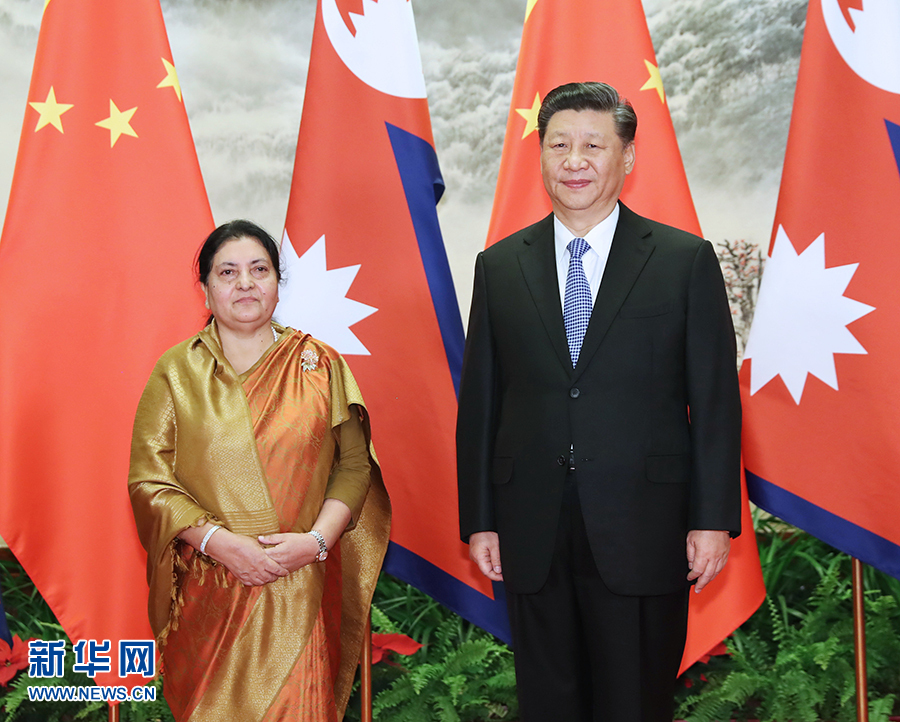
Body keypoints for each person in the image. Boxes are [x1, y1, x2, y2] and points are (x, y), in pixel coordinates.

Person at [456, 82, 741, 722]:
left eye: (593, 145)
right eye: (559, 145)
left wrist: (712, 519)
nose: (574, 161)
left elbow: (715, 403)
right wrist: (480, 518)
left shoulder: (682, 260)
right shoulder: (499, 266)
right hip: (531, 525)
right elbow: (481, 404)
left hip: (645, 525)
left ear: (627, 156)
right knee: (548, 703)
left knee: (633, 702)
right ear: (541, 156)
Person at [128, 220, 390, 721]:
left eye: (259, 269)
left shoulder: (320, 365)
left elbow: (355, 465)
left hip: (300, 585)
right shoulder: (176, 372)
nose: (245, 283)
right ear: (205, 289)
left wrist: (315, 542)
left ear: (277, 281)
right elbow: (149, 481)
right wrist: (221, 544)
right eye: (228, 272)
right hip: (211, 594)